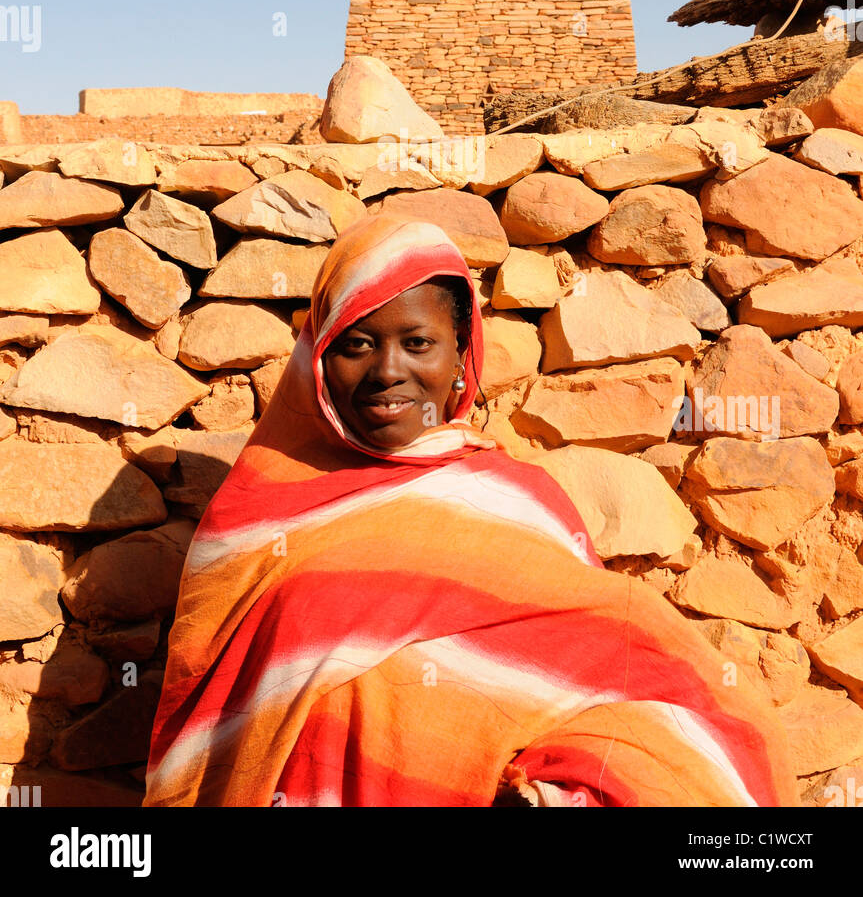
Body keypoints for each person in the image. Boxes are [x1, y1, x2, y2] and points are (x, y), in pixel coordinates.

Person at [143, 211, 799, 807]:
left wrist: (558, 789)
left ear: (462, 357)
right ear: (317, 358)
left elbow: (609, 681)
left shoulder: (518, 503)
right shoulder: (259, 516)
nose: (386, 372)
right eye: (356, 343)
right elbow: (217, 714)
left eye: (417, 343)